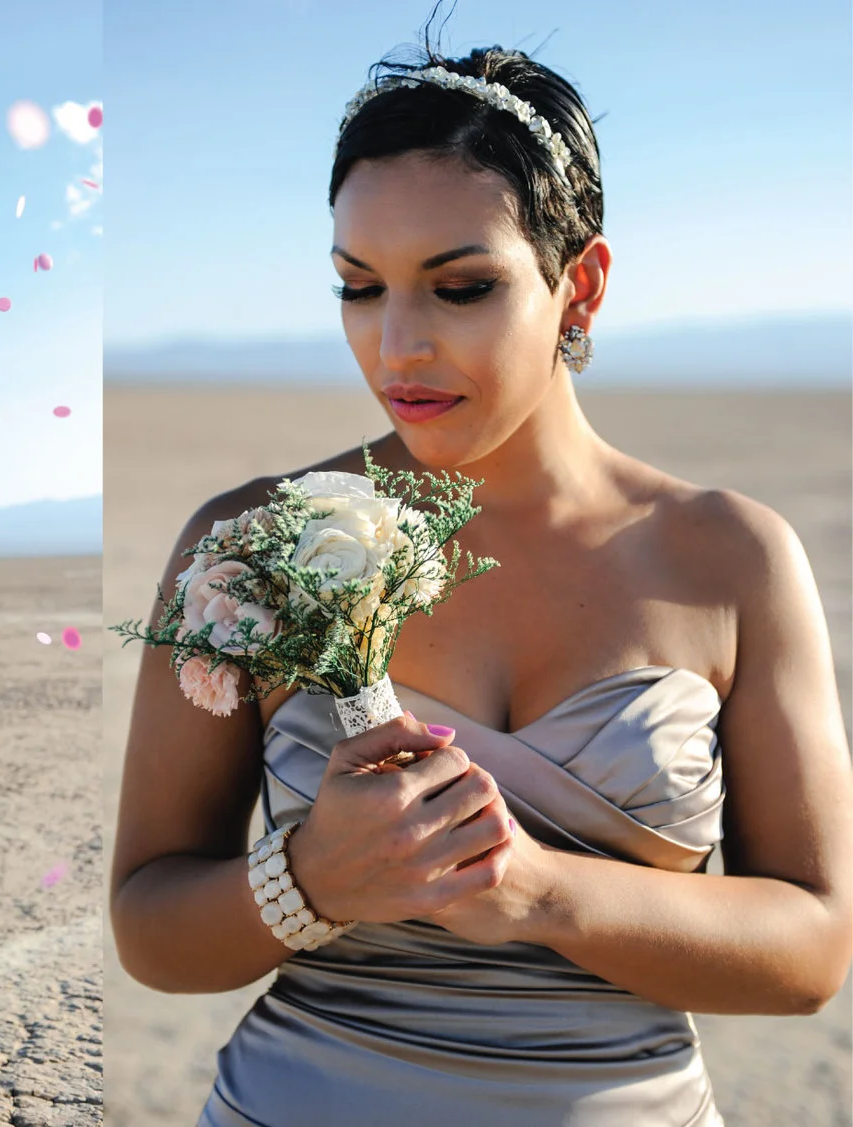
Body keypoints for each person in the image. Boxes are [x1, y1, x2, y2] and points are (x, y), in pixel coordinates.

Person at [109, 32, 853, 1127]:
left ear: (580, 284)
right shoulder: (251, 542)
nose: (398, 344)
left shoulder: (734, 557)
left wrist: (541, 893)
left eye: (460, 287)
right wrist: (310, 877)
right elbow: (148, 923)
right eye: (359, 287)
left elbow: (814, 948)